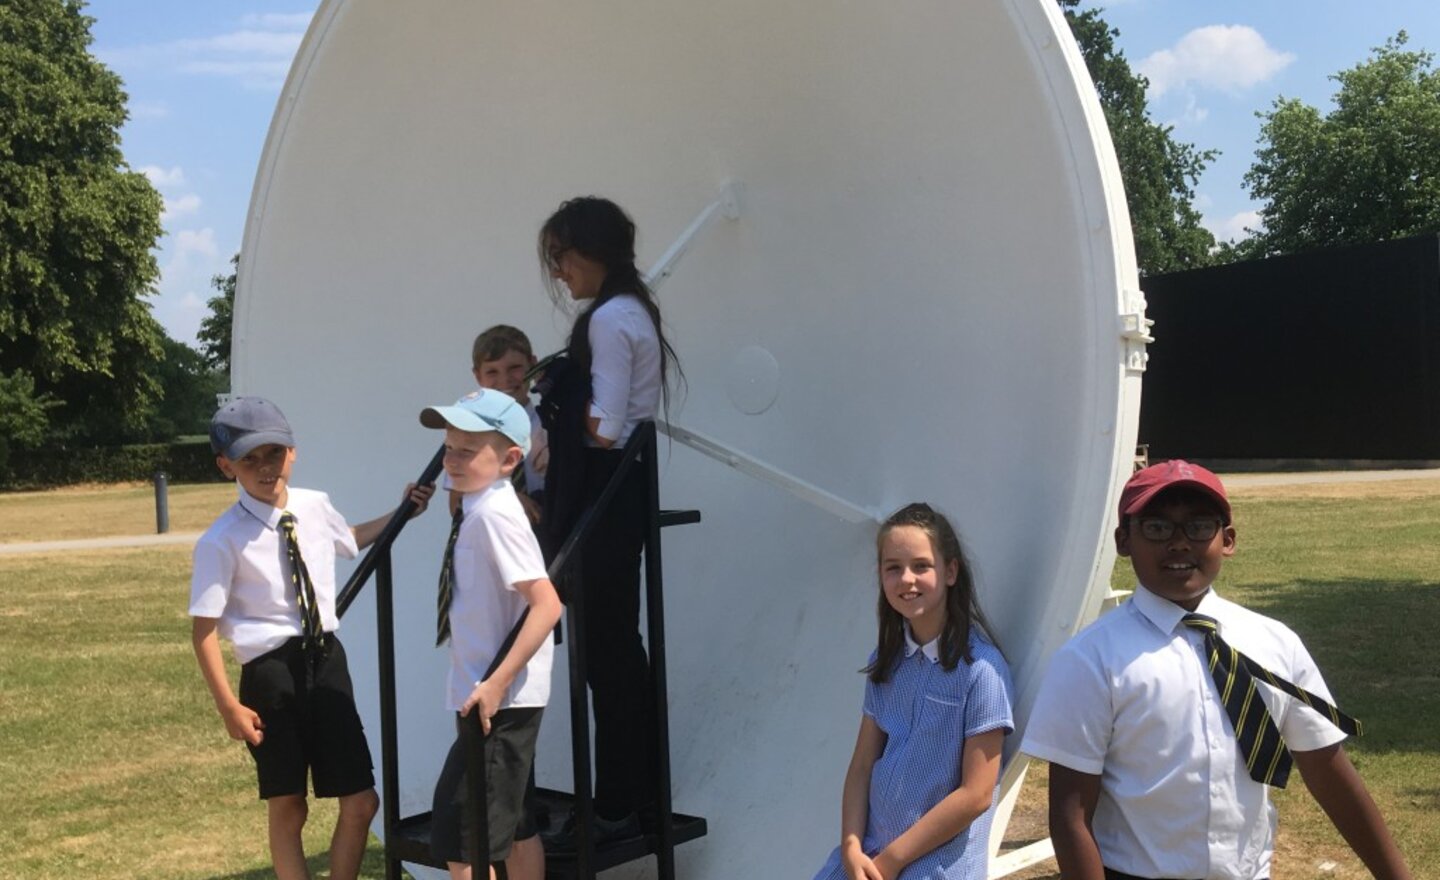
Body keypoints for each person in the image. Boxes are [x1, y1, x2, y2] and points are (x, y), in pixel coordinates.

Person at [1021, 460, 1412, 880]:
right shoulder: (1091, 659)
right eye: (1156, 527)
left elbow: (1328, 773)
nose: (1179, 543)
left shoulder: (1274, 643)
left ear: (1227, 540)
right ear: (1123, 540)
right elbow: (1070, 814)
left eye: (1199, 526)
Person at [189, 396, 433, 880]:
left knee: (362, 801)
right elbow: (203, 633)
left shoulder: (314, 506)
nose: (266, 468)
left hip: (326, 664)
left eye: (274, 453)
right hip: (270, 675)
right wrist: (228, 708)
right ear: (225, 467)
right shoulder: (222, 540)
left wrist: (402, 511)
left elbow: (348, 539)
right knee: (289, 806)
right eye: (249, 459)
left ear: (293, 452)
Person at [534, 195, 681, 847]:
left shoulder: (611, 318)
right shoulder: (632, 310)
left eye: (563, 256)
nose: (560, 271)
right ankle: (633, 795)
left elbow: (606, 426)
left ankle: (618, 803)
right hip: (623, 492)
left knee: (607, 655)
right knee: (619, 650)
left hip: (606, 492)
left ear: (589, 251)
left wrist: (559, 411)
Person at [812, 502, 1014, 880]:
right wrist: (852, 846)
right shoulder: (886, 663)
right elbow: (861, 766)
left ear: (950, 571)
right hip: (870, 858)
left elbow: (976, 794)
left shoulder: (982, 672)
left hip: (931, 869)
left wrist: (892, 861)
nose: (907, 579)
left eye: (921, 566)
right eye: (894, 568)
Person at [420, 390, 564, 880]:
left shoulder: (497, 517)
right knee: (516, 829)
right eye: (448, 447)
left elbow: (547, 603)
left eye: (467, 449)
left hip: (496, 702)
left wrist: (497, 683)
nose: (451, 460)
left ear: (509, 460)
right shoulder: (481, 507)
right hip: (491, 696)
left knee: (464, 842)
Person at [445, 325, 549, 524]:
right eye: (492, 371)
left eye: (515, 368)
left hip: (545, 535)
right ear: (478, 376)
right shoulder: (469, 431)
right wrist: (508, 499)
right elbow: (455, 503)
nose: (505, 379)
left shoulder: (551, 426)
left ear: (533, 364)